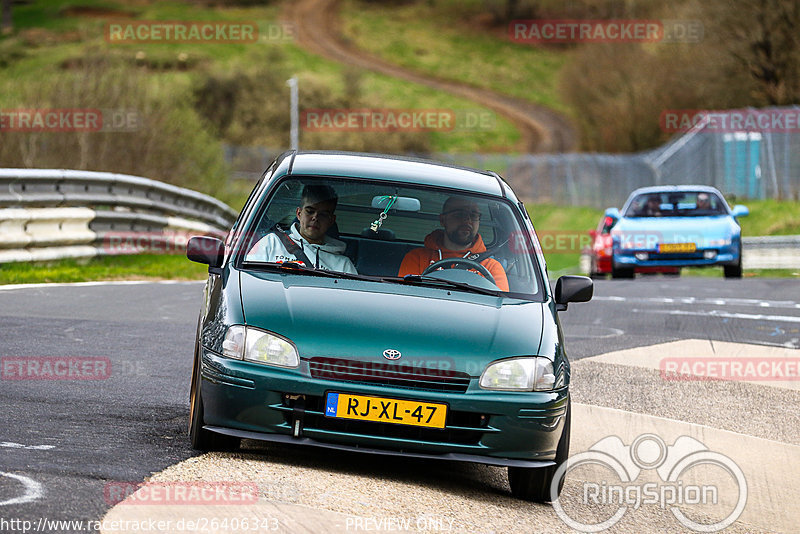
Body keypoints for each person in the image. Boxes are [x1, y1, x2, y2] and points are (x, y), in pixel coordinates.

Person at [397, 196, 509, 291]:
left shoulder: (491, 267)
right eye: (459, 214)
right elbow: (406, 297)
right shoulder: (417, 258)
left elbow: (498, 308)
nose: (467, 220)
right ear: (442, 220)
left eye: (474, 215)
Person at [246, 184, 357, 274]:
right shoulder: (271, 243)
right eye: (310, 211)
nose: (315, 218)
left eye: (323, 214)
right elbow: (247, 278)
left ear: (331, 220)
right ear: (299, 214)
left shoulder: (343, 265)